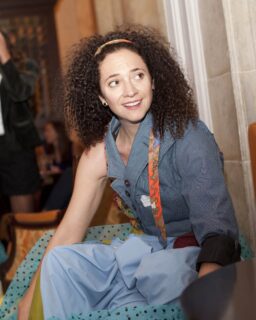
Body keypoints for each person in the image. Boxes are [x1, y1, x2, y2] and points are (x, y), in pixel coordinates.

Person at [18, 25, 240, 319]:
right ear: (99, 96)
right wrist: (29, 303)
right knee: (60, 261)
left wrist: (206, 299)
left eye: (138, 75)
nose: (130, 90)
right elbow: (68, 231)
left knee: (156, 280)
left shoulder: (188, 136)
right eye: (114, 82)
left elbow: (217, 232)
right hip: (144, 252)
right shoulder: (98, 153)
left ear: (153, 81)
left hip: (190, 258)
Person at [0, 31, 41, 213]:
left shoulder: (26, 65)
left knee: (23, 222)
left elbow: (20, 93)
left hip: (16, 149)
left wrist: (4, 57)